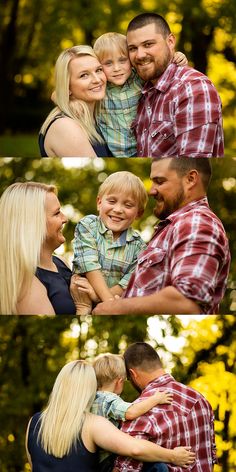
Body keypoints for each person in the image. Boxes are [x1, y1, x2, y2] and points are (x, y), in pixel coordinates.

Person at [93, 158, 231, 315]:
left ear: (190, 179)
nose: (151, 190)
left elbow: (187, 302)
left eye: (159, 182)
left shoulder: (195, 222)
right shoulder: (175, 226)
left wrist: (114, 308)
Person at [26, 359, 195, 472]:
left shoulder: (33, 422)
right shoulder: (91, 424)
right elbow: (135, 449)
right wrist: (173, 455)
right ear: (90, 388)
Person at [126, 13, 224, 157]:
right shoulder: (140, 91)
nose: (139, 55)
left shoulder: (192, 88)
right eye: (133, 48)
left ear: (170, 41)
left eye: (148, 44)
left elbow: (191, 162)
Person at [114, 342, 217, 472]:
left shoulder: (140, 409)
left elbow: (125, 468)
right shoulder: (201, 400)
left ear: (133, 374)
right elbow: (210, 457)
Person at [93, 32, 188, 157]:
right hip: (114, 154)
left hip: (143, 150)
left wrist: (176, 56)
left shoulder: (139, 78)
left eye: (122, 60)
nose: (116, 68)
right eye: (108, 63)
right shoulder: (99, 88)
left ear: (131, 60)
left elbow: (162, 68)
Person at [72, 171, 147, 315]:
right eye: (112, 201)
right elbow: (89, 265)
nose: (118, 210)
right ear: (99, 203)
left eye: (128, 205)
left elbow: (125, 284)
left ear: (139, 213)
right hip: (80, 299)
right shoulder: (88, 226)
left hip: (111, 306)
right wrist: (109, 303)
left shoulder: (139, 247)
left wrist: (98, 298)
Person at [0, 182, 76, 315]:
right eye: (57, 213)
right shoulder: (24, 281)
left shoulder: (61, 263)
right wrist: (84, 307)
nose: (65, 218)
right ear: (33, 223)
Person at [92, 353, 173, 471]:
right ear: (119, 382)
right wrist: (156, 399)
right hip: (108, 460)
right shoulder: (109, 400)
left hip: (95, 459)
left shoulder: (92, 398)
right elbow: (131, 412)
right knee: (158, 467)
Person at [39, 45, 111, 157]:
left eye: (99, 70)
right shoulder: (65, 126)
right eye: (84, 75)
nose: (97, 80)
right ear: (67, 86)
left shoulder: (99, 117)